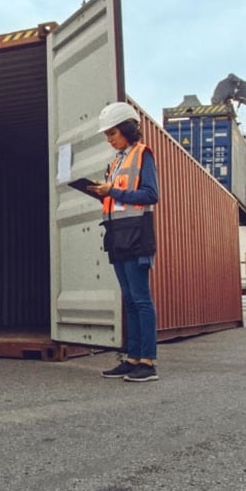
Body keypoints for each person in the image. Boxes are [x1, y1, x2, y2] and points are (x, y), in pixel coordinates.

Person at [87, 102, 160, 383]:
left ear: (128, 129)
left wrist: (113, 191)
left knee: (141, 299)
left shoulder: (143, 154)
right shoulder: (116, 161)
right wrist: (102, 192)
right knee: (129, 299)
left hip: (137, 234)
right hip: (117, 234)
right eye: (107, 134)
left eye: (112, 133)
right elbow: (119, 198)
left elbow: (151, 194)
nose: (109, 139)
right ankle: (132, 358)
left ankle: (148, 362)